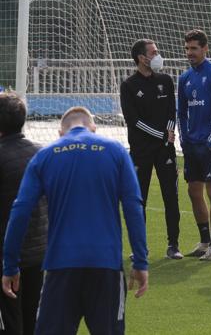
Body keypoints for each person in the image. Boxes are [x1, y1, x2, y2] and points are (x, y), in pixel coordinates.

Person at [2, 107, 148, 334]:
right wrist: (140, 261)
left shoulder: (45, 155)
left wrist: (10, 264)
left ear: (61, 133)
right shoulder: (116, 152)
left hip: (61, 267)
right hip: (106, 265)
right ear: (94, 128)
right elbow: (133, 208)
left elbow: (20, 211)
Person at [120, 39, 182, 259]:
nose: (158, 56)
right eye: (154, 52)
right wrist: (161, 134)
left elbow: (171, 112)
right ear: (141, 58)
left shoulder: (165, 81)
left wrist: (168, 133)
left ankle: (173, 245)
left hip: (165, 150)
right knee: (139, 200)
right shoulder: (128, 85)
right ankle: (140, 248)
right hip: (141, 151)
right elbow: (133, 121)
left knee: (171, 197)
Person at [177, 29, 211, 260]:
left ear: (205, 49)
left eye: (194, 48)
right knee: (193, 191)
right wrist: (183, 137)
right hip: (192, 144)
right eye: (187, 49)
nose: (190, 53)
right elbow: (181, 112)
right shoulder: (185, 78)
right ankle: (204, 241)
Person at [0, 92, 47, 335]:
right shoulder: (42, 153)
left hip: (8, 255)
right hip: (39, 252)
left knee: (10, 321)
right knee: (31, 318)